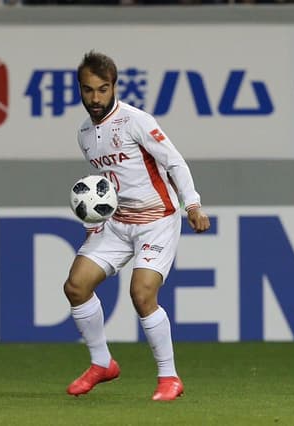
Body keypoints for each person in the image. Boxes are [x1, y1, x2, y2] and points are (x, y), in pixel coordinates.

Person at [64, 50, 210, 401]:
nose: (95, 98)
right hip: (115, 224)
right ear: (80, 90)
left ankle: (169, 377)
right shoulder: (85, 133)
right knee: (76, 287)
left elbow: (173, 162)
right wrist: (96, 219)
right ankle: (102, 364)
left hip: (156, 220)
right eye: (88, 90)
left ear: (114, 86)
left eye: (102, 89)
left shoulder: (135, 121)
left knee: (142, 294)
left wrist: (192, 204)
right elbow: (108, 183)